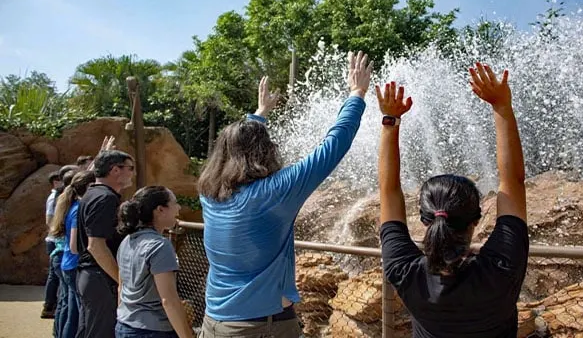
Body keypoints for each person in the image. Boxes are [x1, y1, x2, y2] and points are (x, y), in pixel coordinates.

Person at [197, 51, 373, 337]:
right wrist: (356, 93)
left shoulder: (210, 197)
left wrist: (259, 115)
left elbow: (236, 148)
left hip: (214, 322)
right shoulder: (273, 192)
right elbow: (333, 145)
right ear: (265, 151)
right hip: (260, 327)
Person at [377, 63, 528, 338]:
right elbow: (513, 181)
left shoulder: (405, 273)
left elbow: (388, 191)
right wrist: (502, 106)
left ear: (424, 219)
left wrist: (391, 121)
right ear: (476, 220)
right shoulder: (500, 270)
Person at [115, 186, 193, 338]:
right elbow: (168, 300)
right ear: (160, 210)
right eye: (174, 203)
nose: (178, 208)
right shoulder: (159, 246)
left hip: (124, 324)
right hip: (152, 330)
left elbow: (121, 287)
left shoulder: (127, 240)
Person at [76, 150, 135, 338]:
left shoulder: (93, 193)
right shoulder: (104, 198)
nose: (132, 173)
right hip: (99, 277)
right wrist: (122, 280)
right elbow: (96, 245)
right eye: (130, 168)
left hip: (92, 277)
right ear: (115, 170)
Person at [49, 170, 96, 338]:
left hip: (68, 264)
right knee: (76, 315)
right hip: (74, 265)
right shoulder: (77, 210)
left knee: (72, 311)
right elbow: (74, 246)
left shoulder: (73, 205)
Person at [43, 171, 63, 319]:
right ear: (55, 182)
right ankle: (49, 305)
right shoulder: (53, 198)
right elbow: (49, 219)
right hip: (54, 241)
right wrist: (58, 234)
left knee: (54, 275)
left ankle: (50, 305)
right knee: (54, 275)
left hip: (55, 240)